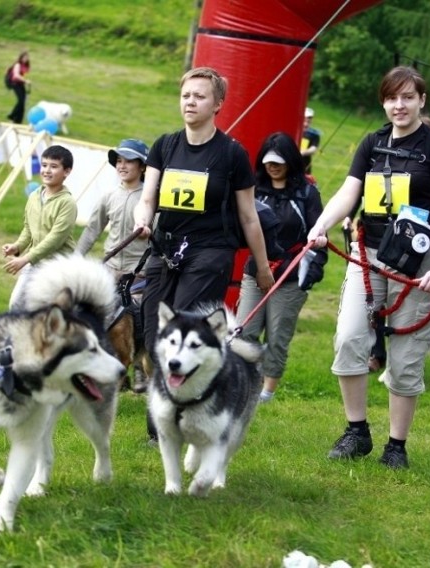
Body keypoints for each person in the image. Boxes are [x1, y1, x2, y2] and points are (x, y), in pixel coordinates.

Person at [306, 65, 430, 469]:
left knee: (407, 355)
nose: (399, 105)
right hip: (367, 255)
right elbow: (349, 191)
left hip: (418, 264)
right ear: (384, 102)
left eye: (408, 97)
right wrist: (320, 224)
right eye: (392, 98)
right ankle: (357, 431)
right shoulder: (372, 143)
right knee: (349, 337)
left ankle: (397, 445)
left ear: (422, 101)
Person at [132, 66, 274, 360]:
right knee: (152, 330)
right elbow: (147, 199)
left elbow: (248, 216)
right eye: (185, 95)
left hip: (209, 251)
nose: (190, 102)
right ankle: (168, 391)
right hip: (165, 247)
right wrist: (142, 220)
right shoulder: (164, 145)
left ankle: (184, 397)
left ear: (218, 104)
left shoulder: (232, 154)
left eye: (199, 96)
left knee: (184, 326)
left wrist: (262, 267)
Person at [236, 132, 327, 403]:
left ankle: (267, 391)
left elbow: (319, 237)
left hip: (290, 275)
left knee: (278, 336)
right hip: (256, 271)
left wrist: (310, 274)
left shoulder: (307, 193)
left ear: (291, 161)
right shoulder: (252, 189)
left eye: (278, 161)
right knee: (245, 330)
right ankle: (244, 385)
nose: (272, 166)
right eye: (268, 161)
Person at [76, 138, 150, 393]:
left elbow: (160, 235)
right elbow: (92, 229)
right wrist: (76, 258)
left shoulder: (151, 198)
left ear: (142, 166)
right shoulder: (109, 195)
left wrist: (149, 233)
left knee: (140, 317)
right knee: (100, 320)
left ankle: (140, 366)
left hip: (139, 272)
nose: (122, 165)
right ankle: (112, 369)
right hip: (109, 270)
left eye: (128, 160)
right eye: (119, 160)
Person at [2, 145, 77, 309]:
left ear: (67, 171)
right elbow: (29, 228)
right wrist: (17, 246)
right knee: (16, 305)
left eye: (54, 166)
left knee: (47, 312)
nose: (47, 170)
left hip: (59, 268)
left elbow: (55, 239)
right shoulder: (34, 196)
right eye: (44, 165)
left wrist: (25, 259)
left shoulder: (67, 203)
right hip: (35, 262)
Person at [7, 51, 31, 124]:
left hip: (21, 84)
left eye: (27, 57)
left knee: (23, 102)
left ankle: (18, 120)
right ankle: (12, 116)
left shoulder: (25, 66)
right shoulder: (18, 65)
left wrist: (26, 81)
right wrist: (25, 80)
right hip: (15, 84)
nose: (26, 59)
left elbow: (24, 74)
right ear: (21, 57)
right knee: (20, 101)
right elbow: (16, 75)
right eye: (24, 57)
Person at [300, 107, 321, 175]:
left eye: (308, 121)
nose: (306, 123)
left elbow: (314, 149)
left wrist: (303, 152)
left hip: (305, 165)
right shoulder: (294, 130)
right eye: (304, 120)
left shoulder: (314, 134)